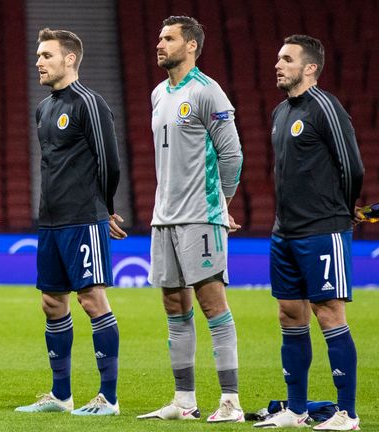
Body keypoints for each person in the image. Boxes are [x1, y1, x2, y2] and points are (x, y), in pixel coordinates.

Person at [137, 16, 245, 423]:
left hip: (201, 215)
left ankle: (230, 401)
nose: (160, 44)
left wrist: (223, 203)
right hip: (163, 217)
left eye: (169, 39)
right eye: (159, 37)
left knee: (211, 302)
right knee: (173, 305)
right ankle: (184, 401)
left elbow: (231, 154)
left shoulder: (207, 91)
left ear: (192, 46)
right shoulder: (157, 94)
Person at [253, 35, 363, 431]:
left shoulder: (325, 107)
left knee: (329, 312)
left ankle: (347, 414)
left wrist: (343, 209)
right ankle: (296, 410)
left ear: (310, 68)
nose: (277, 64)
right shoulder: (281, 112)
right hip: (285, 232)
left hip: (323, 228)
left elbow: (353, 166)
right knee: (289, 313)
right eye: (278, 57)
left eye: (287, 59)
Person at [15, 28, 126, 417]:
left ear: (70, 59)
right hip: (50, 219)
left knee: (92, 300)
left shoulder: (90, 104)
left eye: (46, 55)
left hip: (83, 216)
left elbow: (109, 161)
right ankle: (61, 396)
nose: (39, 62)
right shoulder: (44, 108)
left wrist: (105, 208)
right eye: (38, 56)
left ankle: (108, 399)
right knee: (51, 302)